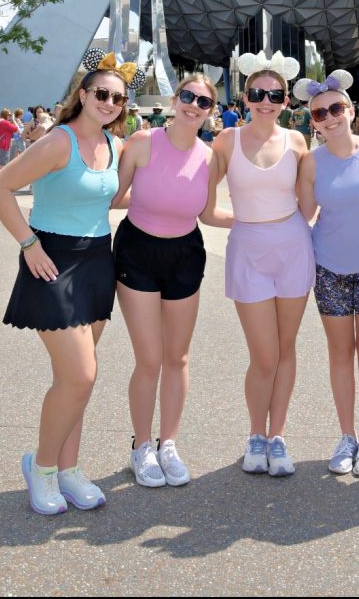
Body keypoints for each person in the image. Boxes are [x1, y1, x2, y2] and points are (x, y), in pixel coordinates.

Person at [0, 52, 129, 516]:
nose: (109, 102)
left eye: (118, 97)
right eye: (101, 93)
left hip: (96, 264)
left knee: (75, 380)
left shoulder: (116, 145)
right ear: (83, 95)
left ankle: (69, 470)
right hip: (51, 260)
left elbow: (122, 196)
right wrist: (28, 243)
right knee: (80, 374)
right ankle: (42, 467)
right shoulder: (57, 142)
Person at [111, 74, 233, 487]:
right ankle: (141, 446)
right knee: (149, 358)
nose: (193, 105)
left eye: (203, 101)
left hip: (185, 255)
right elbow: (112, 196)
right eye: (187, 96)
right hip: (137, 252)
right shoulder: (142, 142)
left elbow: (208, 214)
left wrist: (269, 220)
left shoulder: (210, 156)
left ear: (210, 111)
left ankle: (169, 444)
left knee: (177, 357)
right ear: (174, 97)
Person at [212, 50, 312, 477]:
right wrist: (248, 222)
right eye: (257, 93)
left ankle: (278, 436)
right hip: (248, 249)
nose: (265, 100)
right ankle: (256, 433)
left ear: (287, 100)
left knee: (286, 348)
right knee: (264, 354)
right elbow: (201, 205)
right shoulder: (225, 140)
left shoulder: (298, 141)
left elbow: (309, 205)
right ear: (245, 97)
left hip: (292, 247)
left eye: (274, 94)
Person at [297, 70, 359, 478]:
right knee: (340, 354)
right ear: (313, 122)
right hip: (330, 268)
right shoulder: (310, 162)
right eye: (320, 114)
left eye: (336, 108)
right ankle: (346, 435)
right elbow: (300, 216)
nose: (330, 117)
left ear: (352, 110)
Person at [0, 108, 20, 177]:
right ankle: (0, 183)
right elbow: (17, 129)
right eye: (9, 115)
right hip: (3, 146)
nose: (10, 117)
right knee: (2, 166)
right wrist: (13, 120)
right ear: (6, 115)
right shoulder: (5, 122)